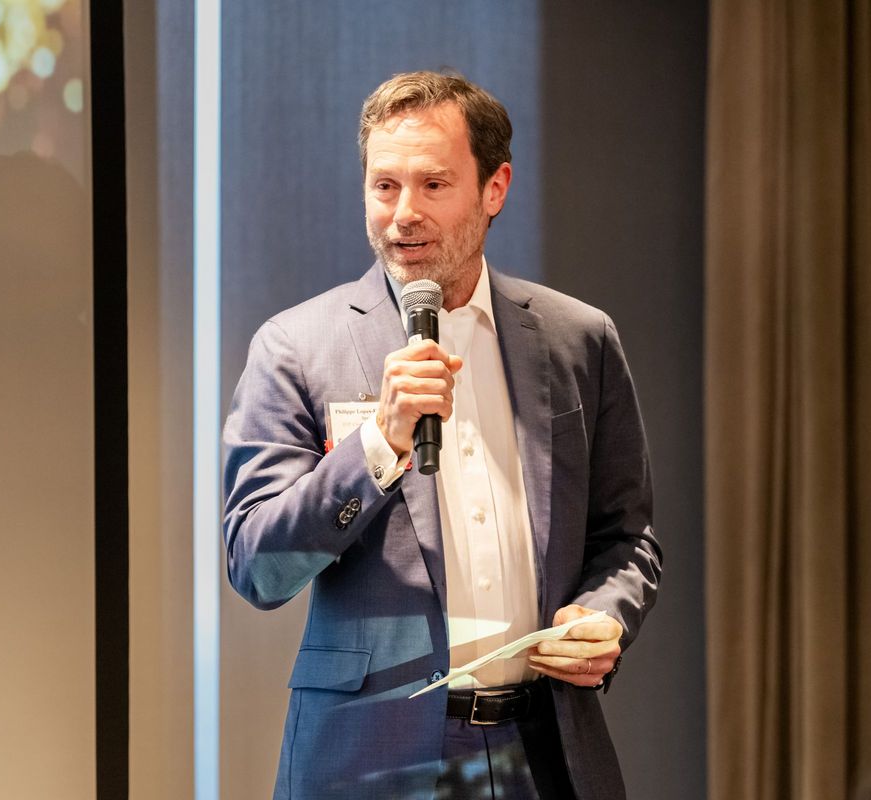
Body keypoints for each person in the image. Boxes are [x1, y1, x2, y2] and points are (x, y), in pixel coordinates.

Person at [222, 71, 661, 800]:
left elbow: (628, 536)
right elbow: (258, 566)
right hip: (371, 761)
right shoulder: (294, 347)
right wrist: (378, 445)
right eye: (384, 186)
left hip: (544, 751)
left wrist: (604, 616)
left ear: (495, 188)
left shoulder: (579, 339)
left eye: (433, 185)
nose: (404, 215)